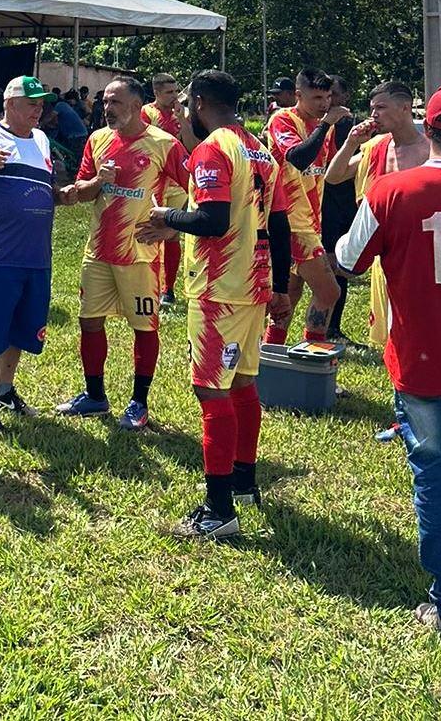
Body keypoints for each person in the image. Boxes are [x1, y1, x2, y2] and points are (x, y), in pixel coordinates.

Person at [336, 82, 441, 640]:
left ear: (430, 129)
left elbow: (347, 259)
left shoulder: (393, 190)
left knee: (437, 485)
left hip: (424, 364)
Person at [138, 70, 292, 539]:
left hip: (217, 289)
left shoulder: (212, 149)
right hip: (254, 283)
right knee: (243, 382)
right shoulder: (261, 148)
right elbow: (280, 223)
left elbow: (212, 220)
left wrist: (167, 216)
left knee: (212, 391)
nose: (183, 113)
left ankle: (217, 508)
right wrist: (280, 287)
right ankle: (244, 482)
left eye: (186, 105)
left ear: (200, 102)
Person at [56, 76, 189, 431]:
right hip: (98, 251)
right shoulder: (98, 140)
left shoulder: (164, 145)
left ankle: (139, 402)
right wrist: (94, 182)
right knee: (89, 321)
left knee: (143, 327)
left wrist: (172, 227)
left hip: (140, 255)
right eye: (105, 103)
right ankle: (95, 396)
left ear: (135, 105)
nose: (107, 108)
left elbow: (198, 189)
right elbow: (83, 191)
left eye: (114, 102)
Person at [0, 75, 70, 433]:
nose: (39, 110)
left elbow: (44, 185)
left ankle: (6, 389)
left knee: (21, 328)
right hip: (1, 252)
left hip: (37, 254)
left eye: (41, 104)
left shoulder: (40, 138)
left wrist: (61, 194)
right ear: (10, 104)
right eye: (32, 103)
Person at [325, 80, 429, 423]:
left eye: (381, 108)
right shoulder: (375, 148)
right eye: (372, 109)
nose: (374, 115)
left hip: (422, 255)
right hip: (384, 259)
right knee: (391, 335)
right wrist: (352, 141)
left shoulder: (431, 149)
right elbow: (334, 176)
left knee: (419, 332)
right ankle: (402, 412)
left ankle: (421, 407)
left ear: (404, 108)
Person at [263, 68, 344, 343]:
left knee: (289, 295)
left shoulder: (324, 126)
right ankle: (314, 357)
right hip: (290, 221)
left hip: (310, 220)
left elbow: (330, 171)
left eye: (328, 97)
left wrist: (355, 139)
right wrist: (325, 125)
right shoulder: (283, 120)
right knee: (329, 292)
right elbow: (299, 158)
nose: (324, 103)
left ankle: (270, 353)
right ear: (298, 95)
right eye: (317, 97)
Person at [142, 72, 190, 309]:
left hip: (178, 182)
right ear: (156, 93)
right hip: (155, 181)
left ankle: (168, 289)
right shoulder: (146, 113)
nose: (174, 96)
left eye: (175, 91)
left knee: (172, 233)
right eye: (169, 92)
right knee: (151, 231)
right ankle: (146, 284)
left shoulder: (182, 113)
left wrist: (183, 119)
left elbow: (188, 143)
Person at [318, 76, 357, 341]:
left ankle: (333, 327)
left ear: (346, 97)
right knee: (322, 267)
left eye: (333, 95)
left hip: (348, 203)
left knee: (341, 266)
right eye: (323, 96)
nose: (329, 101)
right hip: (321, 204)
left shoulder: (356, 128)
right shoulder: (318, 126)